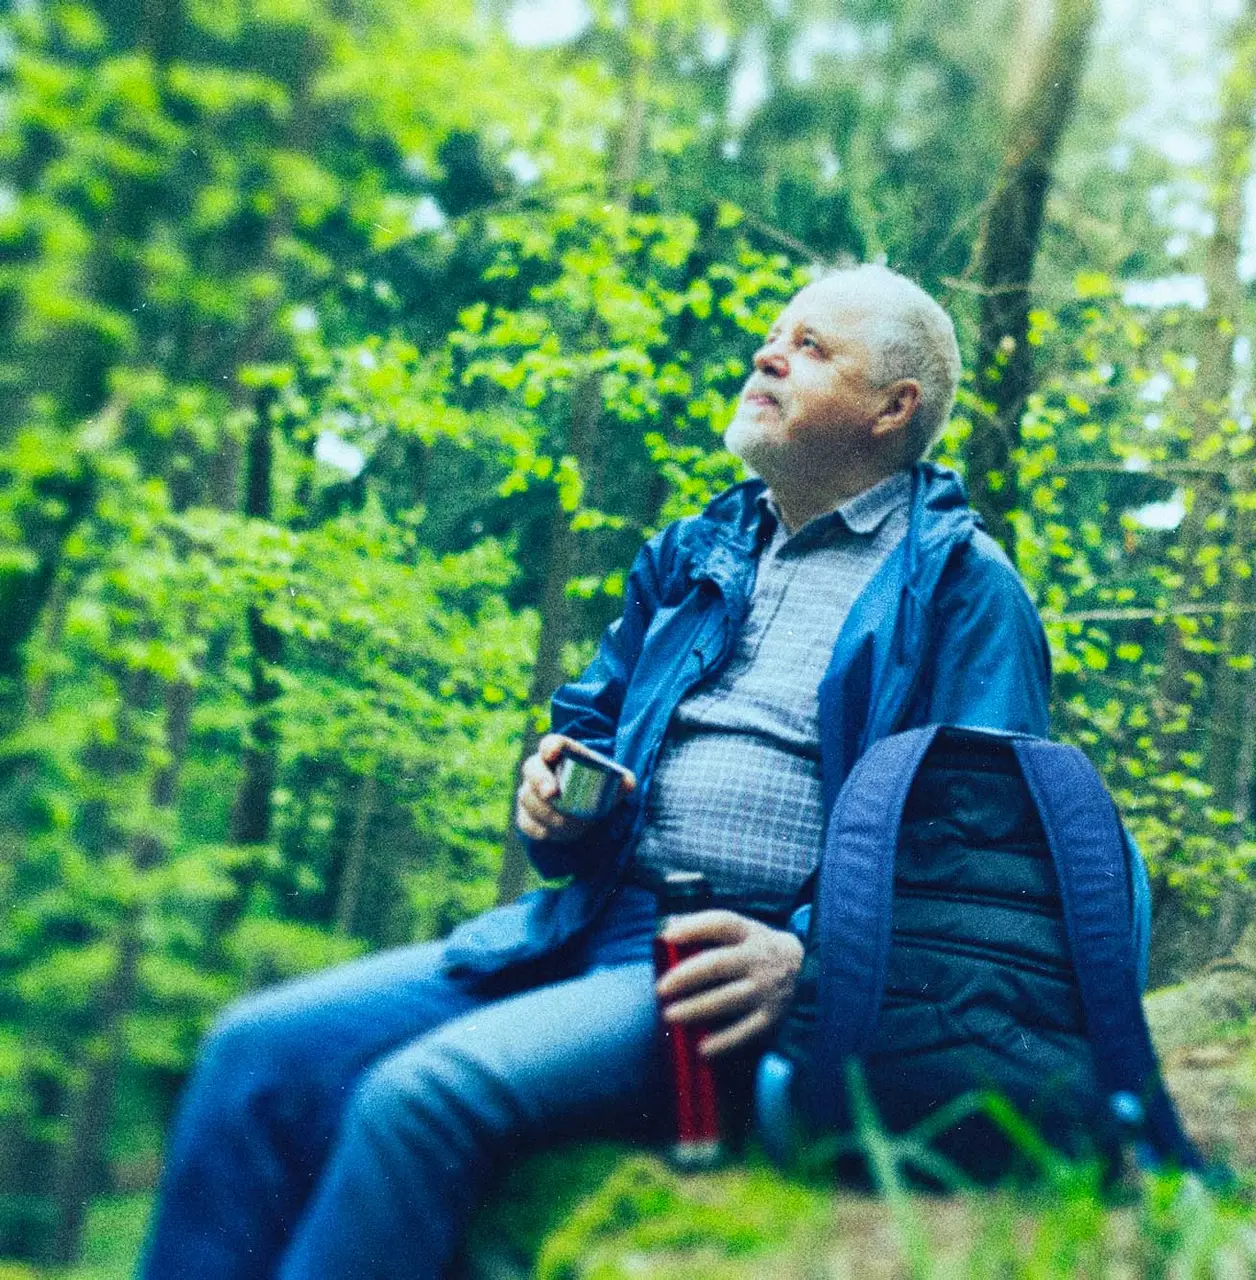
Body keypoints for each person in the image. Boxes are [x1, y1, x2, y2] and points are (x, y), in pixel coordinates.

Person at [138, 264, 1051, 1279]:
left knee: (420, 1097)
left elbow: (981, 872)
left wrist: (808, 962)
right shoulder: (698, 550)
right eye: (773, 333)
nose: (767, 353)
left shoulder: (966, 591)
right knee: (254, 1051)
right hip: (580, 926)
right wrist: (559, 804)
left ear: (894, 408)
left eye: (812, 346)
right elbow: (593, 729)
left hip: (717, 981)